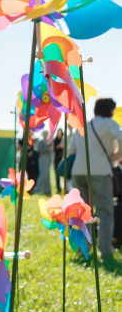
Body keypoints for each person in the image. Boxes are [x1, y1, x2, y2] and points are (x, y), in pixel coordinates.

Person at [68, 97, 122, 258]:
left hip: (78, 172)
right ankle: (105, 251)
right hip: (100, 172)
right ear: (110, 110)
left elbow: (71, 150)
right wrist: (117, 155)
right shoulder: (109, 124)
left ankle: (83, 250)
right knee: (105, 213)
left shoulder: (82, 125)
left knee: (82, 214)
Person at [33, 130, 53, 195]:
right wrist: (47, 148)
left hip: (47, 159)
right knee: (43, 174)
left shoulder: (48, 141)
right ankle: (38, 188)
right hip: (42, 159)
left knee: (47, 175)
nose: (46, 135)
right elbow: (39, 149)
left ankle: (47, 189)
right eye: (45, 133)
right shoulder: (41, 141)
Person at [54, 128, 64, 193]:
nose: (59, 133)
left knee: (64, 173)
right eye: (58, 132)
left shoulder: (63, 139)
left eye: (60, 132)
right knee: (57, 173)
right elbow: (55, 148)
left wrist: (61, 146)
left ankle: (66, 187)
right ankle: (58, 187)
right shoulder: (55, 140)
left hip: (62, 158)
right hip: (57, 158)